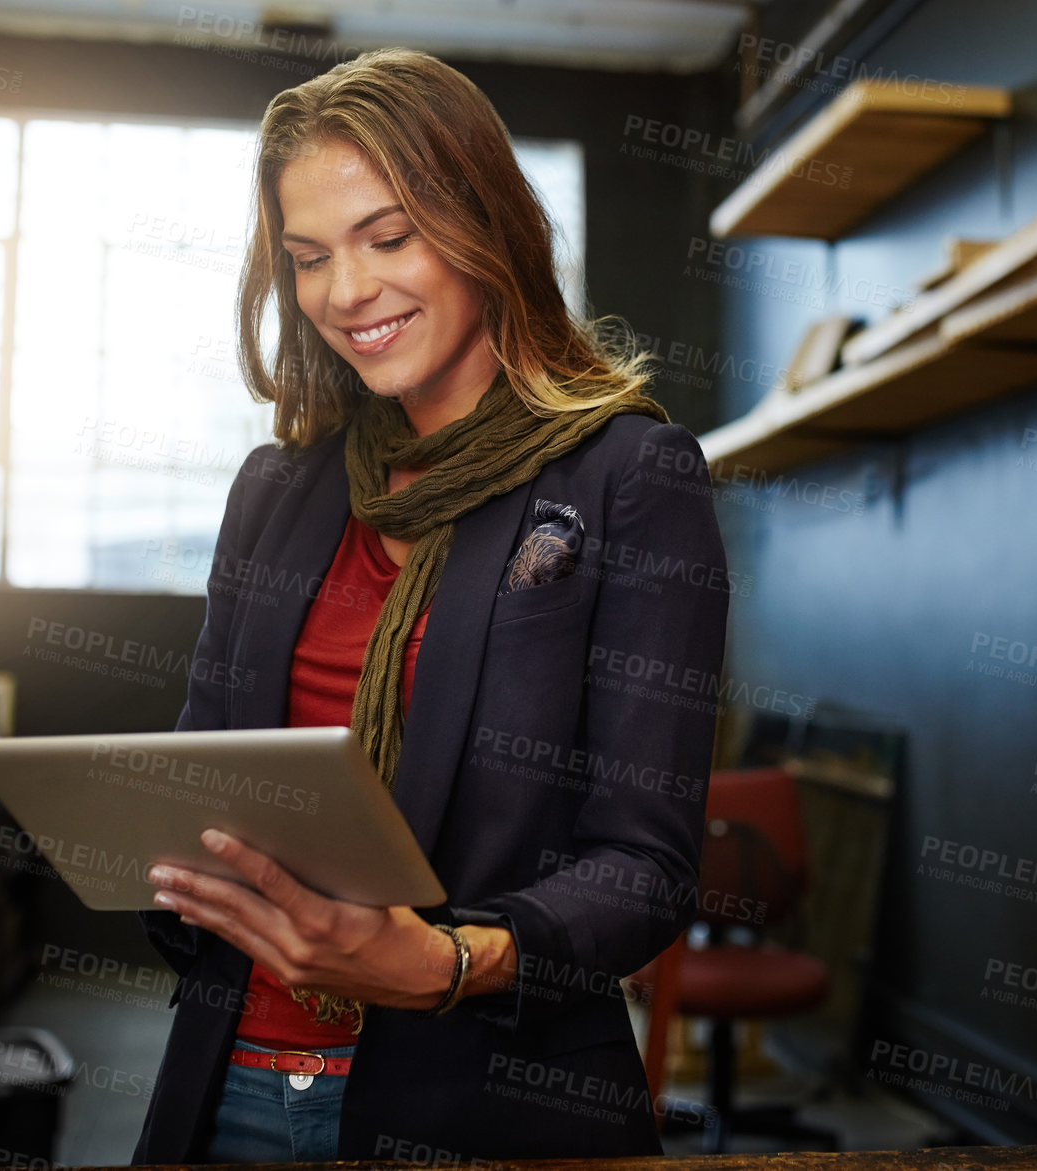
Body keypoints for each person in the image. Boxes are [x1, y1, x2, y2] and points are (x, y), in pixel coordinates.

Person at [131, 47, 730, 1163]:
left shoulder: (627, 477)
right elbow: (198, 772)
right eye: (308, 258)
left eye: (389, 238)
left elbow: (645, 867)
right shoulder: (278, 493)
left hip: (487, 1102)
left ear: (488, 226)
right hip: (233, 1086)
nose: (344, 293)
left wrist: (448, 960)